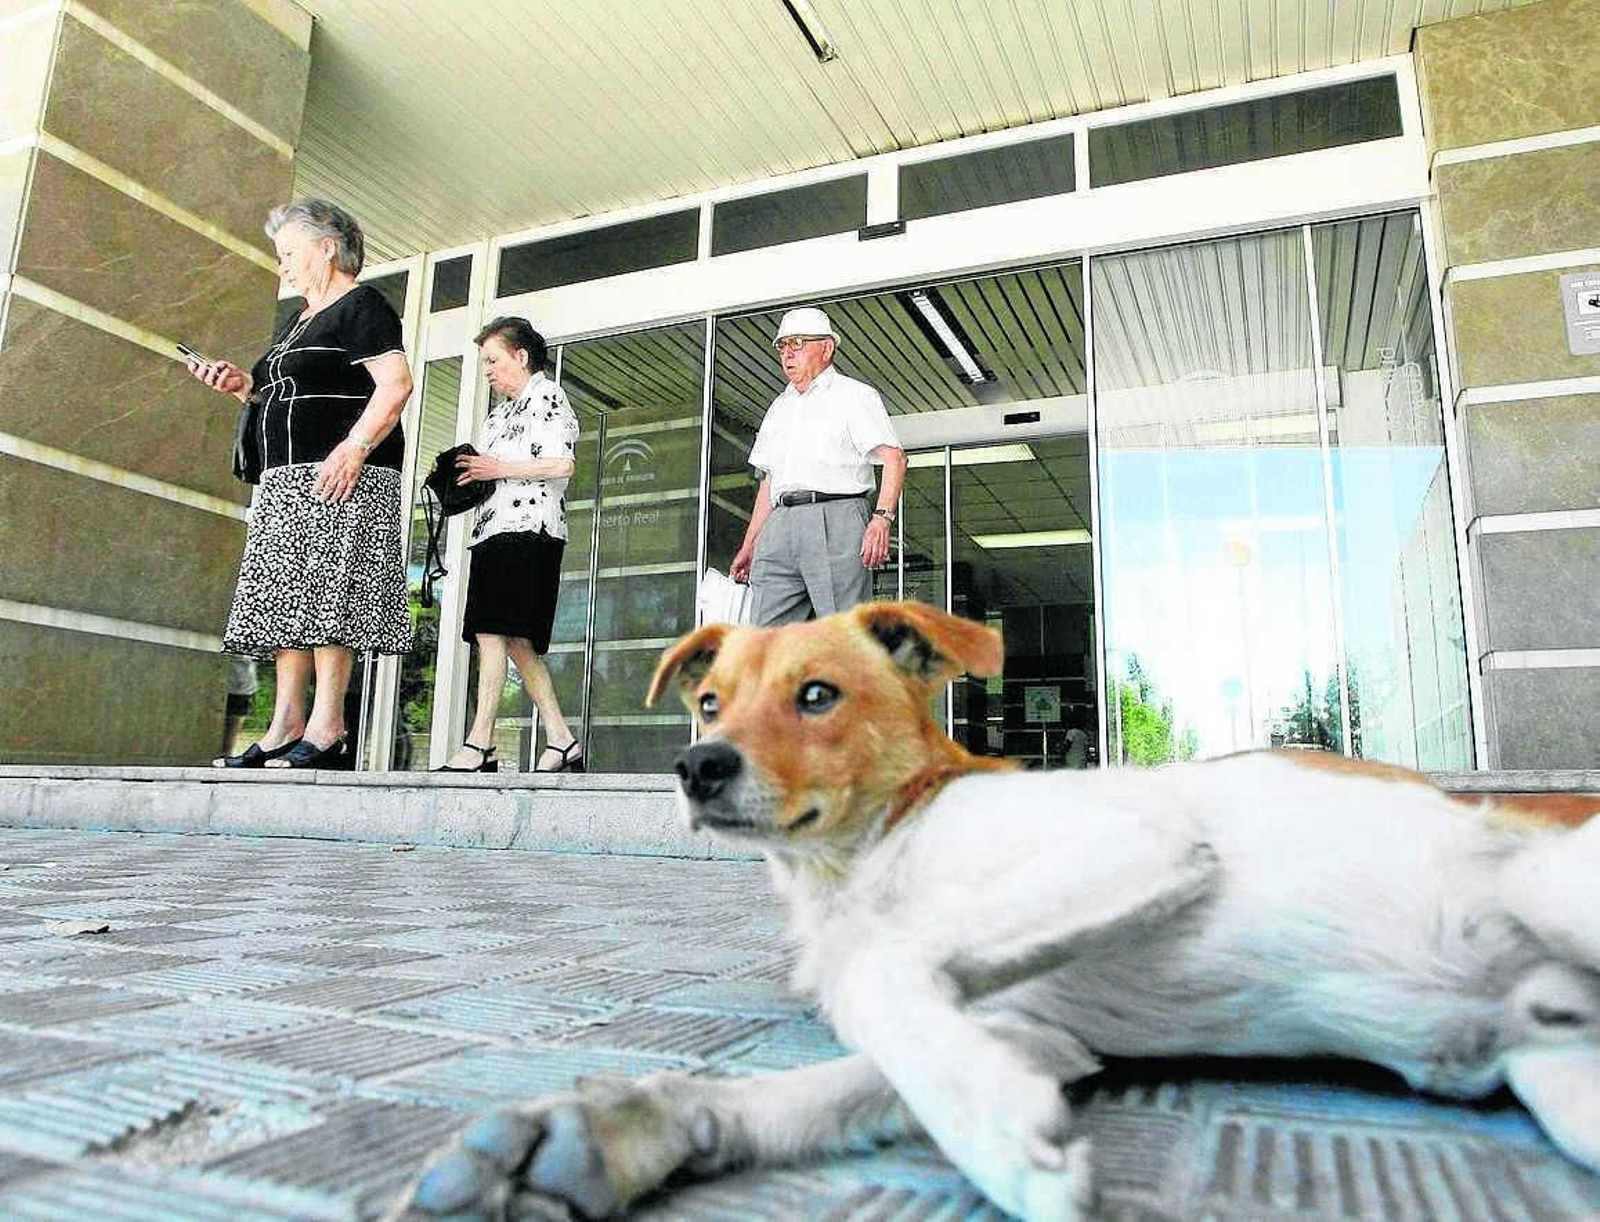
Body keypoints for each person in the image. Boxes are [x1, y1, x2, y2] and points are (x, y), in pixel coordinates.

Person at [188, 198, 414, 770]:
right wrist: (242, 385)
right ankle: (286, 722)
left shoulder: (362, 306)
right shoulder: (300, 320)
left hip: (341, 474)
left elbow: (395, 384)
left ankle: (328, 723)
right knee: (289, 605)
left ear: (328, 247)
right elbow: (285, 398)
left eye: (289, 252)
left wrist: (353, 448)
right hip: (285, 479)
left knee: (327, 597)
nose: (282, 265)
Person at [435, 317, 583, 774]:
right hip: (492, 529)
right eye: (484, 363)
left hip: (529, 528)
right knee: (515, 641)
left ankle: (480, 743)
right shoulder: (498, 415)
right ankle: (562, 740)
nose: (488, 371)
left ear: (521, 356)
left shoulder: (548, 396)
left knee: (492, 633)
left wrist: (495, 467)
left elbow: (563, 465)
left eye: (493, 360)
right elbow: (486, 473)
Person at [730, 306, 906, 625]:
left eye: (797, 343)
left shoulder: (854, 396)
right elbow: (769, 481)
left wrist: (882, 519)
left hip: (835, 517)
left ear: (826, 348)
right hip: (779, 523)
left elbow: (894, 458)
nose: (787, 354)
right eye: (782, 346)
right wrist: (750, 543)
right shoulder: (779, 407)